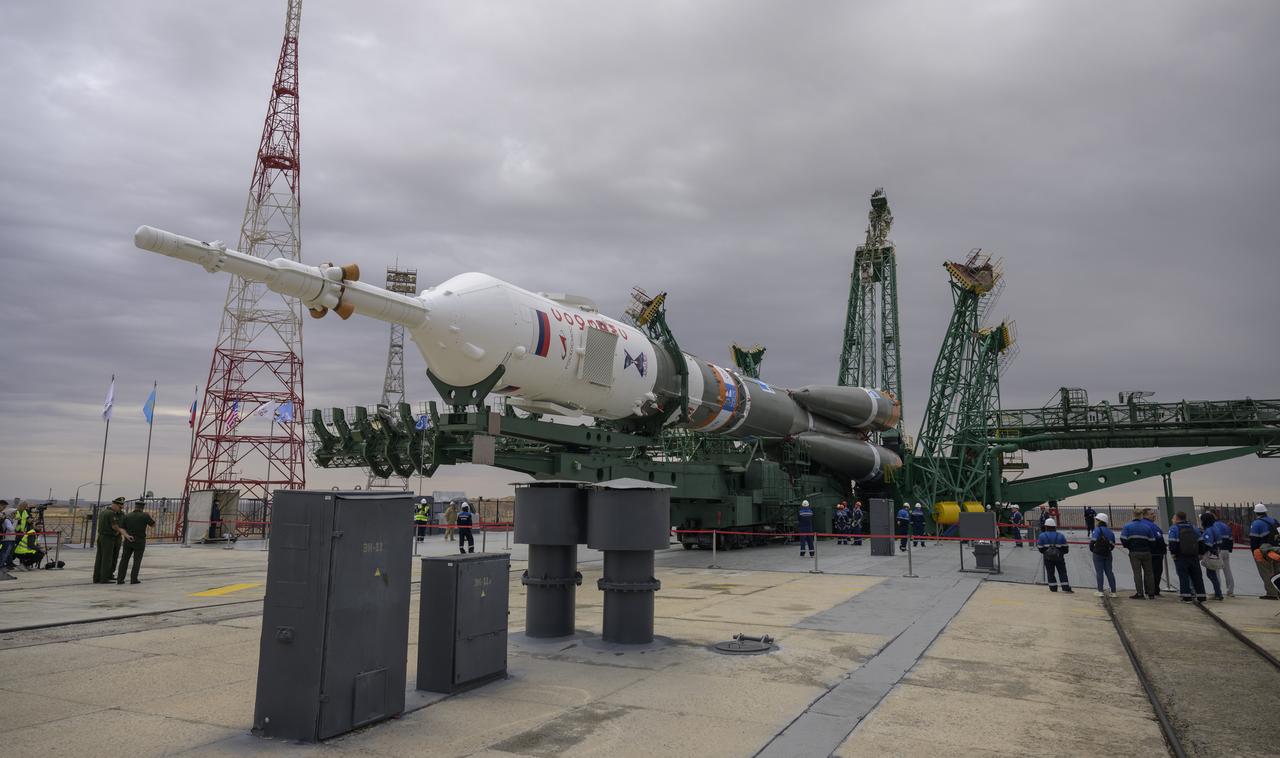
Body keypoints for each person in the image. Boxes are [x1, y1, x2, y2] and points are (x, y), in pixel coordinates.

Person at [1167, 511, 1208, 603]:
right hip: (1194, 556)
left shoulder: (1174, 529)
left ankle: (1186, 597)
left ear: (1177, 519)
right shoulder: (1194, 528)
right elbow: (1201, 541)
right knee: (1197, 576)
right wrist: (1201, 553)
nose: (1172, 520)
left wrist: (1173, 554)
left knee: (1183, 576)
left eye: (1173, 518)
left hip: (1181, 556)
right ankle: (1201, 596)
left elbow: (1172, 542)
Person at [116, 500, 155, 584]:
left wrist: (127, 536)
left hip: (128, 540)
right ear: (142, 507)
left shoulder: (127, 516)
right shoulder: (145, 515)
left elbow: (121, 528)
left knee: (124, 560)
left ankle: (120, 579)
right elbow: (153, 525)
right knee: (137, 560)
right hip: (140, 541)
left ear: (135, 507)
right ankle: (134, 579)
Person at [1120, 509, 1157, 599]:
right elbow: (1153, 541)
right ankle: (1151, 593)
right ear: (1141, 516)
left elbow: (1123, 539)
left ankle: (1140, 593)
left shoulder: (1127, 526)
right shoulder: (1146, 527)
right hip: (1146, 552)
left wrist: (1129, 546)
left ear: (1133, 515)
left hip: (1134, 552)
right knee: (1149, 573)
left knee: (1137, 573)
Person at [93, 497, 130, 584]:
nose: (121, 509)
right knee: (107, 558)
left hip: (113, 538)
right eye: (120, 507)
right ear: (115, 505)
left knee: (110, 557)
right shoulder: (110, 513)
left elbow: (123, 523)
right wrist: (123, 533)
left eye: (122, 507)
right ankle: (104, 577)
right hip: (108, 537)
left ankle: (104, 575)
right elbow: (114, 526)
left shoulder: (117, 513)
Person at [1249, 503, 1280, 600]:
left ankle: (1272, 593)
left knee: (1266, 572)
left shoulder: (1256, 523)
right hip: (1277, 550)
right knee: (1277, 572)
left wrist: (1254, 552)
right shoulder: (1274, 521)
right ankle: (1278, 591)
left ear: (1256, 513)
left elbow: (1254, 540)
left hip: (1264, 552)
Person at [1201, 511, 1233, 600]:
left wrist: (1201, 552)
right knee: (1227, 571)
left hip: (1213, 553)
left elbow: (1208, 544)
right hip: (1223, 550)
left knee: (1214, 573)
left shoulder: (1209, 529)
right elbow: (1230, 538)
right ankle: (1230, 591)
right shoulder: (1222, 526)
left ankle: (1218, 593)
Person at [1037, 517, 1072, 593]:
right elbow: (1066, 549)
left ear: (1046, 526)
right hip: (1059, 558)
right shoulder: (1060, 535)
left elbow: (1040, 548)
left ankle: (1053, 588)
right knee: (1062, 572)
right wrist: (1060, 553)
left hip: (1048, 558)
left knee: (1050, 573)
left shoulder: (1042, 536)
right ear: (1054, 527)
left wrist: (1046, 552)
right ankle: (1065, 587)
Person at [1089, 512, 1117, 597]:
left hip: (1098, 554)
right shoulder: (1110, 532)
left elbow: (1092, 542)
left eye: (1096, 520)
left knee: (1099, 572)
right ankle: (1113, 592)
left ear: (1099, 521)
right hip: (1108, 553)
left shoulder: (1097, 530)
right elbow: (1113, 545)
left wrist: (1093, 550)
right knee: (1109, 572)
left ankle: (1100, 591)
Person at [1144, 509, 1167, 597]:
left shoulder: (1141, 524)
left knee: (1147, 572)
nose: (1154, 515)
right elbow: (1159, 539)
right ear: (1146, 515)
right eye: (1151, 514)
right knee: (1156, 572)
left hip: (1145, 552)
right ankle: (1154, 589)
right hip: (1156, 553)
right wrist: (1163, 549)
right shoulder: (1153, 527)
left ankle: (1147, 589)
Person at [0, 504, 16, 574]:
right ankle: (1, 566)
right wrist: (16, 521)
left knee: (8, 553)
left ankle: (4, 565)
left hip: (11, 539)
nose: (15, 515)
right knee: (4, 553)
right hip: (7, 539)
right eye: (14, 513)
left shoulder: (10, 520)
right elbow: (11, 529)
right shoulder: (7, 520)